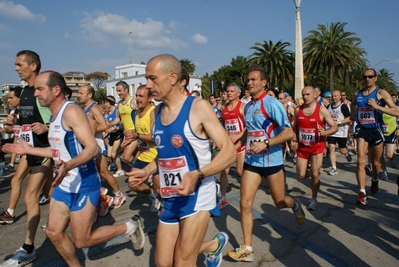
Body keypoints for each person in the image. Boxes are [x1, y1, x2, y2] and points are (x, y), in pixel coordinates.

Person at [4, 71, 145, 267]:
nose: (35, 94)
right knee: (53, 231)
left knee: (82, 240)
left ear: (55, 90)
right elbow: (57, 151)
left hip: (84, 183)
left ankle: (129, 226)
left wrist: (69, 165)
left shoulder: (71, 112)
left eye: (39, 89)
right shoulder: (54, 116)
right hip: (65, 183)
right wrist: (29, 149)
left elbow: (93, 147)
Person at [128, 54, 235, 267]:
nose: (148, 86)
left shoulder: (198, 107)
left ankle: (207, 246)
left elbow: (229, 151)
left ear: (173, 77)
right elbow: (166, 154)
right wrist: (147, 170)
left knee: (183, 262)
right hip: (170, 195)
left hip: (198, 194)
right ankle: (214, 245)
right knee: (163, 263)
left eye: (152, 78)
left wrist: (198, 174)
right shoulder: (156, 112)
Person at [227, 65, 305, 262]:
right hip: (252, 162)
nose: (249, 83)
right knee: (245, 203)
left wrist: (266, 143)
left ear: (264, 82)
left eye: (254, 79)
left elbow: (288, 132)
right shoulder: (249, 106)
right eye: (248, 80)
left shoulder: (271, 104)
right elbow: (250, 131)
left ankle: (295, 204)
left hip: (272, 161)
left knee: (279, 202)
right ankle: (247, 248)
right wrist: (235, 141)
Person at [0, 50, 53, 266]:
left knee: (31, 196)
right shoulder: (24, 93)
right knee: (48, 191)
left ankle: (28, 247)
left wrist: (46, 126)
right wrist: (14, 123)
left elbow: (62, 121)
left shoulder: (43, 91)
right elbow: (26, 124)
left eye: (19, 64)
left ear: (33, 66)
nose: (15, 68)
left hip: (45, 151)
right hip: (28, 149)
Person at [350, 68, 399, 205]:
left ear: (375, 78)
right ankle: (362, 192)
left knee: (376, 163)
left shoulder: (381, 93)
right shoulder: (358, 93)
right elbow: (353, 104)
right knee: (360, 161)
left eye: (370, 76)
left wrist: (378, 107)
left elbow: (396, 111)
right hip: (362, 130)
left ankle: (375, 179)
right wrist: (353, 114)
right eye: (365, 77)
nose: (367, 79)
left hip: (376, 131)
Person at [77, 85, 126, 211]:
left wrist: (88, 132)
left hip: (97, 144)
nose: (78, 95)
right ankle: (101, 194)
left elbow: (104, 126)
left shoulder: (94, 108)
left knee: (102, 171)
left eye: (81, 93)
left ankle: (117, 195)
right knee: (95, 172)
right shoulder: (85, 108)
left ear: (90, 95)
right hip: (89, 144)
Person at [293, 86, 337, 210]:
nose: (305, 97)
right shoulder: (298, 110)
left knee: (315, 172)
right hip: (302, 147)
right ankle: (314, 175)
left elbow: (334, 127)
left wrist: (326, 132)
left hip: (317, 147)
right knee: (301, 175)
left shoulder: (321, 110)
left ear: (314, 95)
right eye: (303, 95)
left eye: (307, 94)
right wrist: (294, 138)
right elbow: (295, 127)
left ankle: (313, 198)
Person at [123, 85, 161, 214]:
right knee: (132, 183)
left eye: (141, 96)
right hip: (143, 157)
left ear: (150, 98)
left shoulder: (153, 112)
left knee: (160, 187)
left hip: (155, 158)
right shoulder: (138, 113)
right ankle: (153, 195)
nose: (138, 99)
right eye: (137, 96)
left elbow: (156, 137)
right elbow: (139, 135)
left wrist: (137, 136)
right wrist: (131, 139)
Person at [219, 82, 246, 209]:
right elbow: (225, 125)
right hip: (229, 145)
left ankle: (248, 189)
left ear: (238, 93)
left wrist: (238, 135)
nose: (228, 93)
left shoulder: (243, 107)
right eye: (227, 91)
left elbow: (248, 126)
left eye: (231, 91)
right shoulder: (225, 108)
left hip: (241, 143)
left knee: (240, 170)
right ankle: (222, 197)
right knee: (224, 169)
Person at [108, 80, 138, 164]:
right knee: (137, 155)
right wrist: (111, 125)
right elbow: (118, 119)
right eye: (117, 91)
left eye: (119, 91)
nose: (118, 93)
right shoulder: (120, 104)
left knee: (126, 157)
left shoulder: (133, 101)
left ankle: (143, 169)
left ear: (126, 90)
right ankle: (142, 171)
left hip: (134, 134)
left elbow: (141, 116)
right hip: (126, 134)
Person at [326, 90, 352, 176]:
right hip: (331, 131)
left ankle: (346, 152)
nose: (334, 98)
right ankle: (334, 168)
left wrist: (339, 122)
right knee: (331, 148)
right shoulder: (328, 106)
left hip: (341, 132)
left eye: (336, 96)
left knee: (342, 150)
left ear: (340, 97)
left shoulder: (343, 106)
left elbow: (349, 118)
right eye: (332, 96)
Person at [103, 95, 124, 176]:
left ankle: (120, 170)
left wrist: (114, 128)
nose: (104, 104)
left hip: (118, 133)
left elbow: (122, 124)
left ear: (109, 103)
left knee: (113, 154)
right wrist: (106, 131)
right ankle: (115, 163)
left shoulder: (117, 111)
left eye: (106, 102)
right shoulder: (107, 113)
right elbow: (107, 124)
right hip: (111, 135)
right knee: (109, 155)